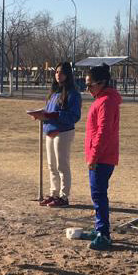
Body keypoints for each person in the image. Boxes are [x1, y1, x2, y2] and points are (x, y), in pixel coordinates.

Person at [28, 61, 81, 208]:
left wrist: (54, 115)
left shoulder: (73, 94)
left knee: (62, 166)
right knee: (51, 165)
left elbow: (74, 116)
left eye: (62, 72)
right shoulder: (54, 93)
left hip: (63, 132)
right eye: (57, 72)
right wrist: (40, 114)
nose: (58, 75)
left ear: (68, 75)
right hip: (50, 131)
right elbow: (49, 111)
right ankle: (54, 193)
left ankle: (64, 197)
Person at [83, 63, 121, 250]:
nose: (87, 89)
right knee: (96, 194)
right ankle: (99, 228)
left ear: (102, 83)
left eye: (90, 85)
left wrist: (94, 156)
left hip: (102, 157)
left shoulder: (106, 101)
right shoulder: (101, 99)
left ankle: (104, 234)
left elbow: (103, 132)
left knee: (99, 195)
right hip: (100, 155)